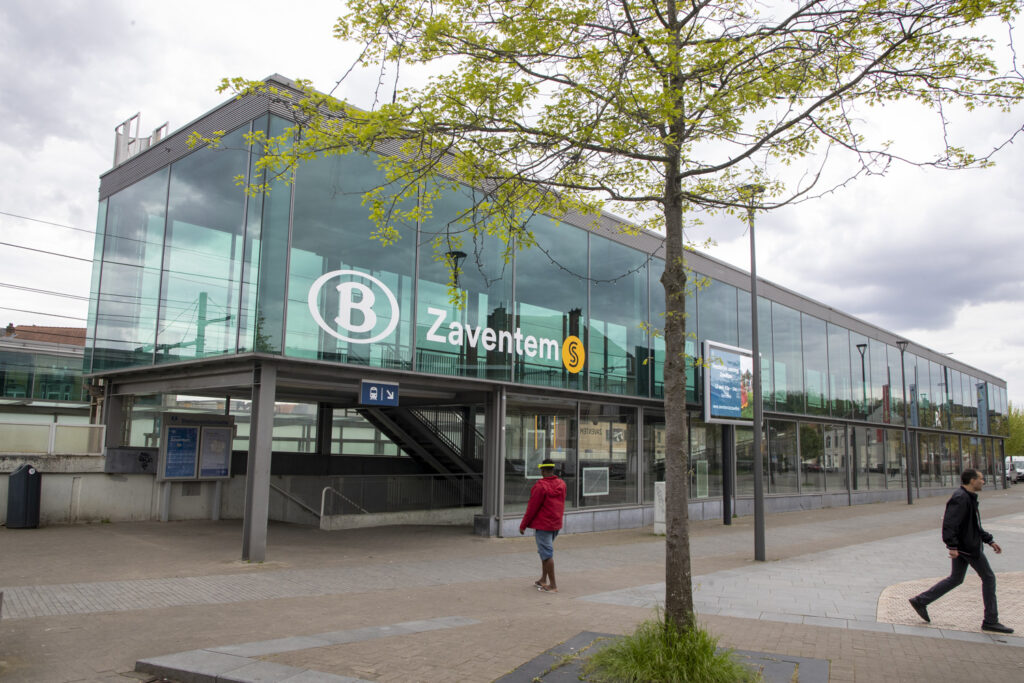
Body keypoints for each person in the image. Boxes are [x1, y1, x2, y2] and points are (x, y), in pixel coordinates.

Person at [908, 468, 1013, 634]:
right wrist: (952, 546)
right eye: (981, 479)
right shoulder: (961, 498)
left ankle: (920, 601)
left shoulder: (968, 497)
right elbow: (950, 523)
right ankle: (990, 620)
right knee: (989, 577)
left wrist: (989, 540)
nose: (983, 481)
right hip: (967, 548)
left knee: (956, 578)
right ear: (972, 480)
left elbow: (973, 525)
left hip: (965, 546)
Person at [519, 458, 567, 593]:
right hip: (555, 524)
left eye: (541, 470)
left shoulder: (540, 487)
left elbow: (532, 508)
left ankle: (553, 585)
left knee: (547, 554)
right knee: (545, 551)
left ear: (543, 470)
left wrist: (523, 525)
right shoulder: (562, 484)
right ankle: (543, 579)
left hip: (543, 525)